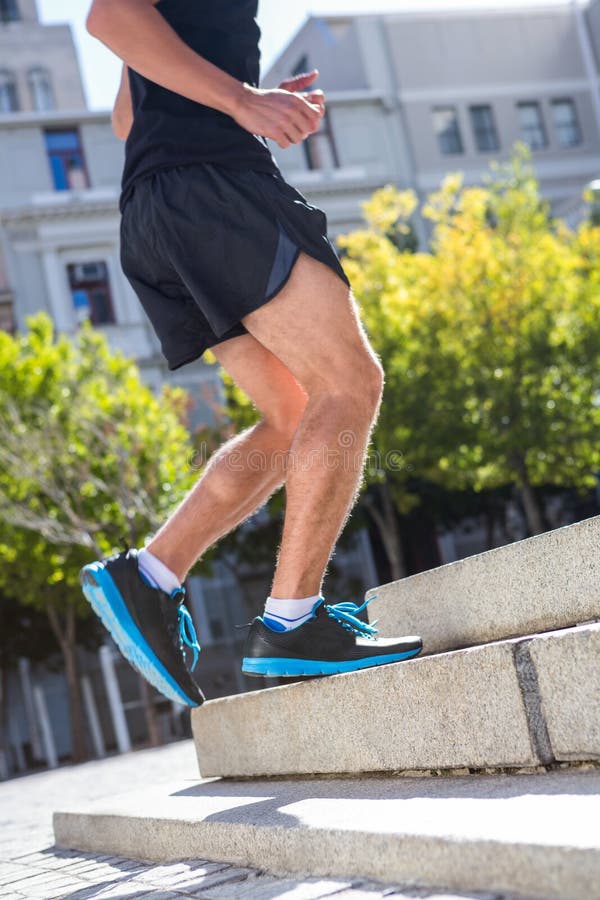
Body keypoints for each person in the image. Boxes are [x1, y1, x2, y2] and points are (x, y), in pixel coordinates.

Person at [81, 0, 423, 708]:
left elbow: (126, 115)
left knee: (292, 414)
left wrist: (240, 101)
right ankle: (293, 622)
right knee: (349, 382)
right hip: (212, 188)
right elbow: (109, 14)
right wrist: (241, 102)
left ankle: (152, 573)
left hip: (157, 208)